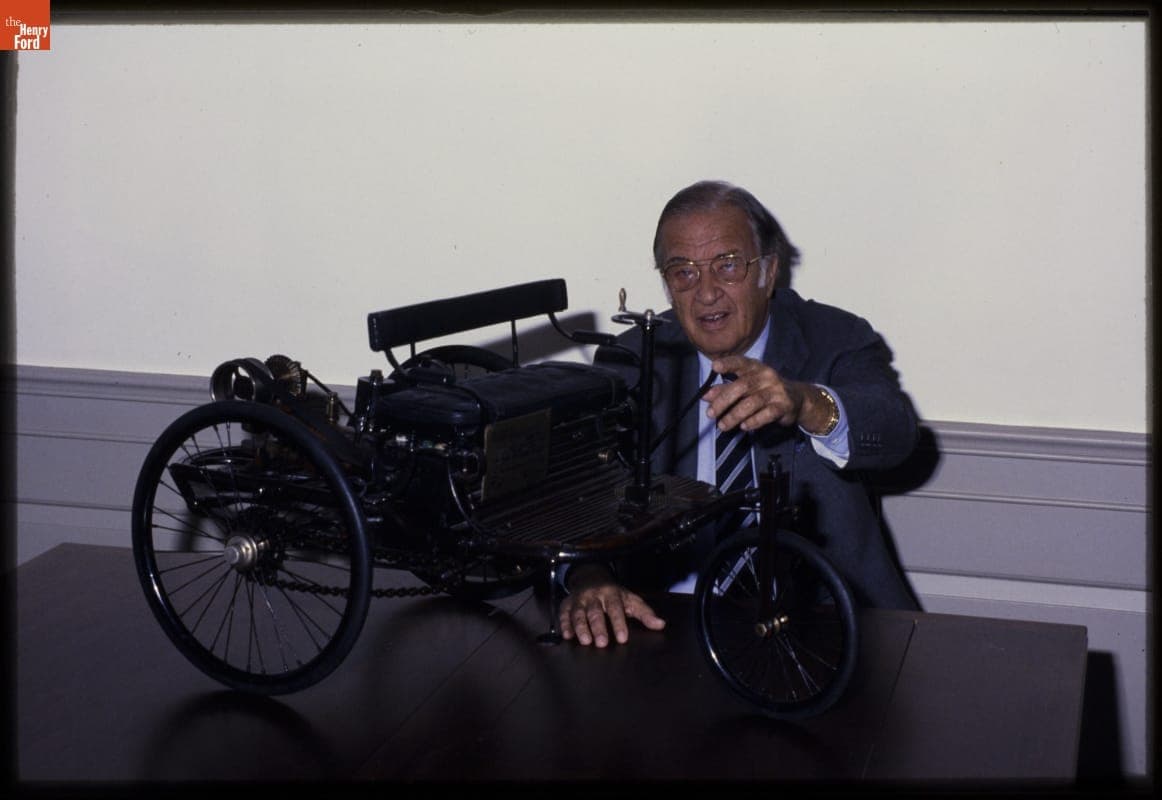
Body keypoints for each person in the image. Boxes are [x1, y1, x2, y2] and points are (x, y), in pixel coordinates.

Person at [559, 180, 920, 648]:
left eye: (727, 265)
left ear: (768, 271)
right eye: (683, 272)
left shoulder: (834, 337)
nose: (706, 293)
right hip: (667, 626)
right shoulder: (632, 361)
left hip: (827, 626)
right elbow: (577, 498)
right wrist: (587, 577)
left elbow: (894, 431)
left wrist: (807, 403)